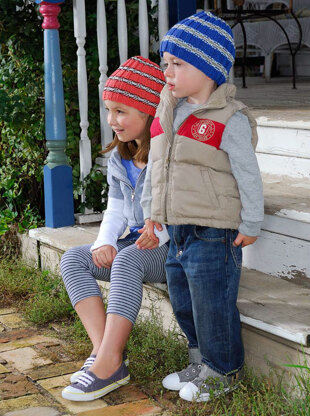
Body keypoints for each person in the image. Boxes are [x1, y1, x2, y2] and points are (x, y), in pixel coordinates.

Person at [137, 11, 264, 402]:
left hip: (214, 231)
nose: (168, 71)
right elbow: (156, 169)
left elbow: (248, 174)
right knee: (184, 300)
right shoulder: (168, 112)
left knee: (212, 303)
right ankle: (200, 360)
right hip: (177, 230)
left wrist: (252, 221)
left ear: (209, 69)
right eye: (166, 63)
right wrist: (151, 215)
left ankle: (223, 369)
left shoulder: (229, 118)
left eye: (178, 64)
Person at [60, 56, 168, 402]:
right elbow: (118, 207)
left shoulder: (166, 155)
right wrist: (104, 241)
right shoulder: (121, 157)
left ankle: (107, 361)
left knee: (126, 261)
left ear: (148, 112)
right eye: (109, 110)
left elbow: (178, 206)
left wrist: (159, 233)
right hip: (136, 239)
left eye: (121, 111)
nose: (111, 120)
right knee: (74, 259)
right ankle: (105, 354)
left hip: (170, 245)